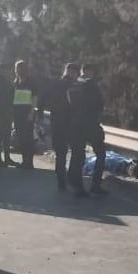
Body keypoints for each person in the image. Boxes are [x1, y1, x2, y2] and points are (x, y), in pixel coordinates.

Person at [68, 63, 108, 196]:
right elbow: (99, 104)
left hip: (75, 124)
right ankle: (95, 185)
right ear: (90, 71)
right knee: (101, 154)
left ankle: (76, 185)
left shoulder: (74, 85)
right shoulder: (91, 85)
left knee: (77, 155)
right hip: (90, 124)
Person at [46, 63, 80, 190]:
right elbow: (76, 105)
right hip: (70, 124)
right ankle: (70, 178)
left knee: (60, 154)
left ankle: (61, 180)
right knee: (76, 151)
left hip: (56, 123)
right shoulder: (74, 86)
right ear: (74, 73)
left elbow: (47, 100)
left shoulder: (55, 84)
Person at [12, 60, 39, 169]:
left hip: (27, 113)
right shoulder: (16, 82)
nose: (18, 70)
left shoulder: (31, 81)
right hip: (18, 114)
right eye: (17, 68)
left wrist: (32, 112)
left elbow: (34, 98)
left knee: (28, 138)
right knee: (21, 138)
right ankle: (24, 161)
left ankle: (30, 162)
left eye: (20, 68)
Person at [0, 63, 17, 167]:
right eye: (5, 69)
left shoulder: (8, 81)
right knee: (1, 136)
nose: (7, 71)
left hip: (7, 111)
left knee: (6, 136)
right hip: (2, 112)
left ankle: (6, 158)